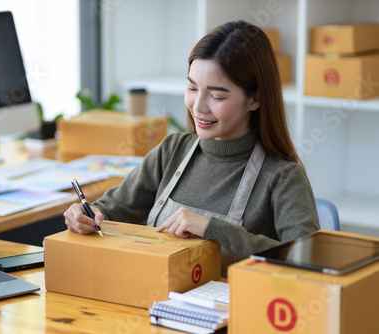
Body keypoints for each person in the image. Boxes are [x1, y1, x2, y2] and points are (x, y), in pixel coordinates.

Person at [64, 20, 320, 276]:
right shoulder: (172, 151)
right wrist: (87, 214)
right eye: (192, 88)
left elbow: (305, 260)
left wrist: (216, 229)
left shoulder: (283, 177)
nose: (198, 106)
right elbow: (113, 209)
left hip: (235, 310)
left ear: (255, 99)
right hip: (155, 296)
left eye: (217, 96)